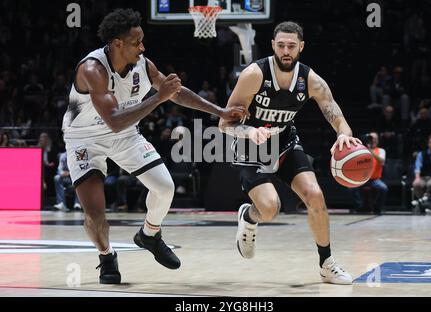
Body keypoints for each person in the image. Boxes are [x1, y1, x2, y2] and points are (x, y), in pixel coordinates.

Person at [62, 9, 248, 284]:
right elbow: (113, 120)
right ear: (117, 44)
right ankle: (106, 255)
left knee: (165, 187)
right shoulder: (93, 69)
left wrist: (219, 111)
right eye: (137, 42)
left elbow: (176, 93)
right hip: (85, 140)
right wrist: (158, 98)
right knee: (95, 212)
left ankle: (149, 234)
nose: (142, 47)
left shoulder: (144, 65)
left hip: (124, 134)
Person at [219, 21, 360, 285]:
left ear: (301, 47)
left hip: (284, 143)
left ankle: (326, 263)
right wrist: (250, 132)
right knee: (270, 209)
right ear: (273, 45)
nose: (286, 51)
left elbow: (337, 115)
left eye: (291, 46)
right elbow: (224, 123)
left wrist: (343, 134)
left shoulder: (310, 79)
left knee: (316, 196)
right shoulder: (254, 74)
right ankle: (248, 217)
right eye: (281, 45)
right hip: (250, 147)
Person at [349, 132, 388, 214]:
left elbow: (382, 161)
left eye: (375, 138)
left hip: (374, 179)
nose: (373, 140)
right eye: (371, 138)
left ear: (378, 140)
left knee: (383, 188)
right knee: (351, 188)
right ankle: (360, 206)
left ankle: (377, 207)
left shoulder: (381, 150)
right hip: (362, 179)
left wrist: (370, 151)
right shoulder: (361, 150)